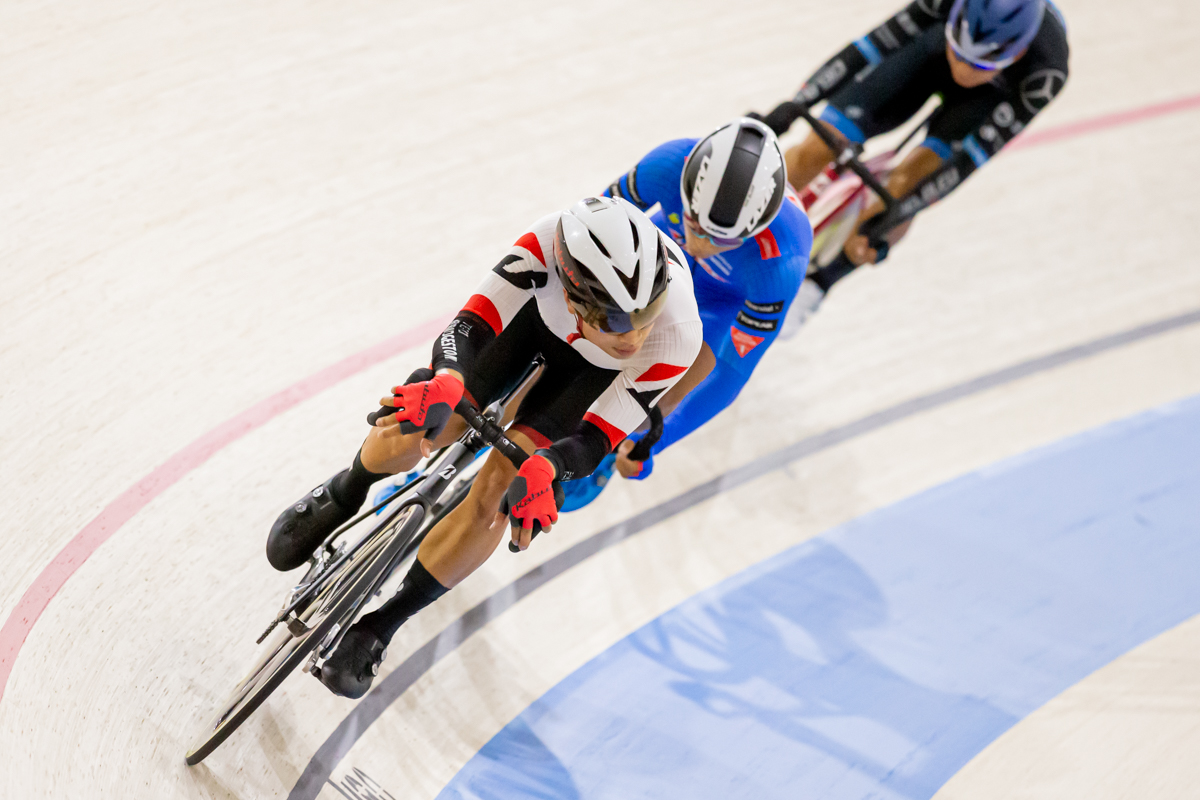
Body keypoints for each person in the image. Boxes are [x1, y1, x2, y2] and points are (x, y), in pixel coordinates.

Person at [266, 195, 702, 698]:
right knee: (426, 419)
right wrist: (447, 380)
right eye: (620, 322)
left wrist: (552, 467)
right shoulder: (543, 243)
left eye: (647, 314)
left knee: (501, 488)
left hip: (590, 379)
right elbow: (467, 328)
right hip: (532, 325)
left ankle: (381, 625)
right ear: (578, 297)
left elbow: (595, 438)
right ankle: (344, 491)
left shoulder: (677, 336)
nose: (637, 334)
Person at [752, 0, 1068, 331]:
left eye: (979, 65)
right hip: (928, 52)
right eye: (959, 52)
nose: (963, 70)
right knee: (818, 146)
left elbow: (966, 164)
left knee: (910, 183)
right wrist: (792, 109)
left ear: (1016, 55)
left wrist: (895, 215)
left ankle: (819, 282)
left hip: (984, 102)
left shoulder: (1046, 72)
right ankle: (742, 210)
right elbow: (867, 48)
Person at [560, 118, 813, 508]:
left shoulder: (781, 261)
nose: (700, 242)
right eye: (694, 223)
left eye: (721, 238)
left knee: (669, 390)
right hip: (660, 256)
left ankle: (614, 436)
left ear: (753, 231)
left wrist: (652, 438)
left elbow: (731, 373)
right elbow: (587, 235)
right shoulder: (667, 165)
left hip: (720, 305)